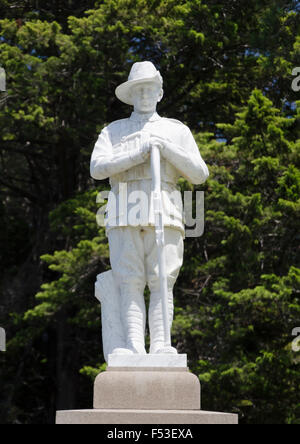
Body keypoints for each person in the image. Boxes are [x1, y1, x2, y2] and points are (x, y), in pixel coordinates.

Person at [91, 61, 209, 355]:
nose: (144, 95)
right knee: (129, 280)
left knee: (161, 280)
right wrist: (137, 153)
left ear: (159, 93)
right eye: (139, 90)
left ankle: (160, 345)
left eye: (150, 89)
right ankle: (132, 347)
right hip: (124, 207)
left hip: (164, 208)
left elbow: (199, 173)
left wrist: (167, 148)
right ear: (131, 95)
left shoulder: (175, 130)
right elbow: (98, 168)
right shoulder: (114, 131)